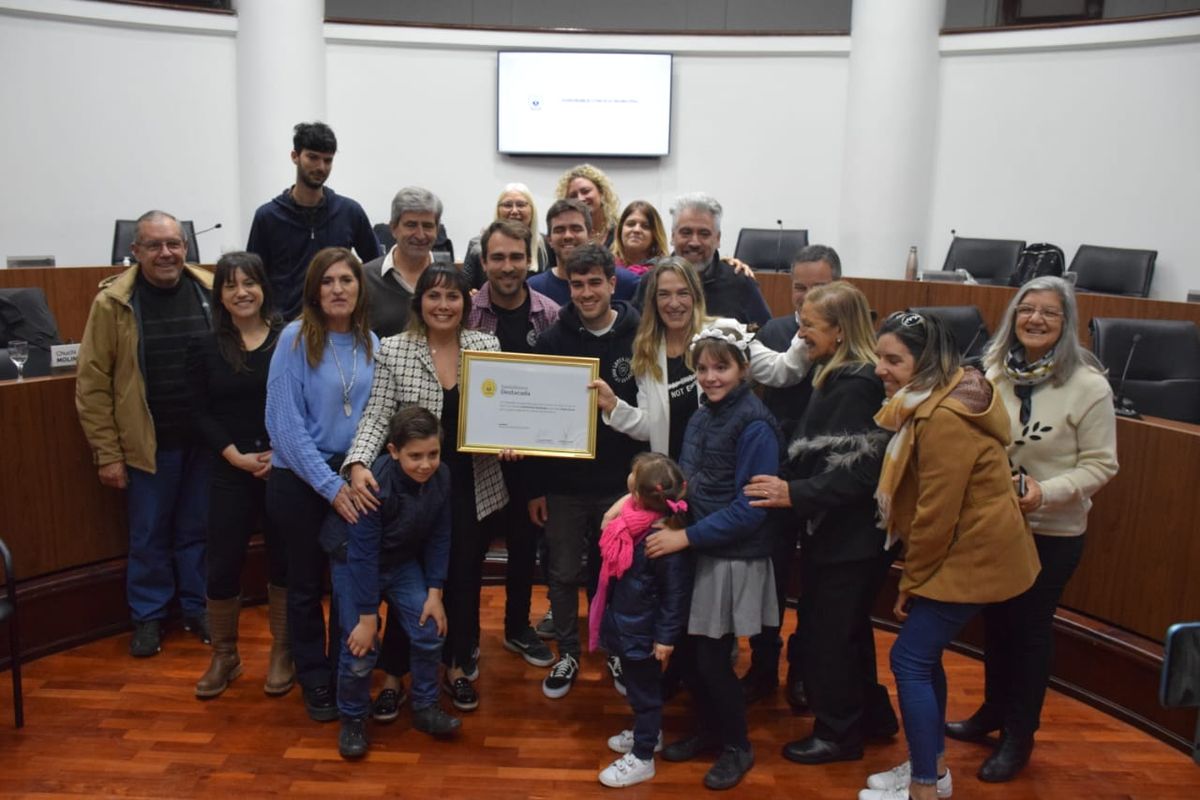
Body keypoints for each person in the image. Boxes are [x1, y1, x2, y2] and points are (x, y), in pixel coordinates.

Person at [858, 311, 1040, 800]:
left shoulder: (942, 418)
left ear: (926, 362)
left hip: (974, 553)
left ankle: (924, 786)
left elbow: (936, 514)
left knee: (909, 659)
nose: (881, 369)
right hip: (973, 547)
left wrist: (910, 581)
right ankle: (931, 765)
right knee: (922, 655)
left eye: (894, 359)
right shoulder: (947, 392)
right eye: (880, 356)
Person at [946, 276, 1118, 782]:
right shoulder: (991, 372)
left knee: (1028, 632)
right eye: (1027, 310)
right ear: (1012, 316)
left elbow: (1102, 465)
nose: (1036, 320)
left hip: (1051, 530)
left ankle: (1019, 737)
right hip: (994, 526)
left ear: (1066, 324)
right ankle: (992, 715)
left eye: (1049, 312)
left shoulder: (1088, 386)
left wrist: (1047, 491)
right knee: (996, 626)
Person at [744, 282, 899, 764]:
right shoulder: (838, 374)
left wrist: (794, 492)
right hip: (841, 535)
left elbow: (856, 474)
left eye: (809, 325)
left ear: (838, 329)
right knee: (848, 631)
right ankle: (872, 718)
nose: (801, 333)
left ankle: (838, 734)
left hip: (849, 539)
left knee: (830, 635)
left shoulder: (855, 384)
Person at [344, 266, 508, 714]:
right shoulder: (395, 350)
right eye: (433, 296)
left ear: (466, 304)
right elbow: (377, 415)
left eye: (453, 297)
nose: (443, 305)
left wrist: (513, 438)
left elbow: (505, 410)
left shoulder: (486, 345)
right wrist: (358, 462)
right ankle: (396, 674)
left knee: (461, 580)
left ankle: (456, 665)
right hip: (414, 485)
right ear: (419, 303)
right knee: (408, 578)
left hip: (473, 484)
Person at [645, 320, 782, 791]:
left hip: (732, 555)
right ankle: (709, 730)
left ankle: (737, 746)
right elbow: (689, 481)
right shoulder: (703, 416)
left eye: (721, 367)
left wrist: (686, 537)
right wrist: (669, 514)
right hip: (701, 545)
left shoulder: (757, 424)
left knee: (710, 658)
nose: (710, 377)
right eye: (702, 368)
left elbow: (751, 509)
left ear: (743, 369)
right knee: (693, 653)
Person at [76, 209, 214, 658]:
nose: (166, 253)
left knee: (197, 531)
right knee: (149, 535)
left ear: (186, 246)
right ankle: (149, 617)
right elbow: (92, 383)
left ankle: (197, 608)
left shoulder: (210, 290)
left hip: (204, 443)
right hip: (147, 445)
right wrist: (107, 453)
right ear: (134, 251)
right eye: (153, 245)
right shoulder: (113, 303)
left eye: (173, 243)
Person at [265, 247, 378, 723]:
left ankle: (343, 672)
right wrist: (330, 487)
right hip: (299, 479)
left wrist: (354, 470)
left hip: (352, 473)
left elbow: (376, 416)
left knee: (350, 584)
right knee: (306, 585)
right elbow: (283, 426)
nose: (337, 289)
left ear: (359, 287)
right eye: (328, 281)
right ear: (314, 290)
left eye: (346, 281)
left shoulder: (372, 341)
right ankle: (314, 677)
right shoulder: (294, 338)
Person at [528, 243, 646, 700]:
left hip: (620, 484)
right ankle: (569, 653)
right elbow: (537, 416)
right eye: (577, 284)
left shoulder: (638, 338)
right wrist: (536, 486)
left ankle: (613, 649)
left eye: (595, 282)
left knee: (613, 571)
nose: (585, 292)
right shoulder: (555, 338)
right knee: (561, 571)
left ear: (613, 284)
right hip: (563, 484)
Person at [323, 406, 462, 759]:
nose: (425, 464)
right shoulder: (374, 485)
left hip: (400, 562)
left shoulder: (442, 478)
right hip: (355, 560)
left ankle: (426, 706)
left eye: (433, 454)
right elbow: (362, 554)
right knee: (359, 648)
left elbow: (440, 534)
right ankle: (352, 719)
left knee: (430, 627)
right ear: (393, 451)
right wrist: (368, 619)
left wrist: (435, 591)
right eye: (415, 456)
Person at [187, 252, 289, 699]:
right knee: (223, 560)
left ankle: (283, 653)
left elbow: (301, 400)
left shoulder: (289, 339)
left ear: (264, 287)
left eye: (250, 282)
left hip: (283, 467)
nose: (242, 292)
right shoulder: (205, 344)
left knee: (284, 560)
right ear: (220, 295)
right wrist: (234, 455)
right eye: (231, 285)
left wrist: (279, 452)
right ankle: (225, 654)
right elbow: (198, 410)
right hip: (231, 468)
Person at [746, 243, 842, 710]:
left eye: (818, 287)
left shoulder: (852, 340)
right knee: (772, 578)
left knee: (819, 588)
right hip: (780, 476)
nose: (806, 298)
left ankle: (804, 672)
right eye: (799, 287)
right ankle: (764, 666)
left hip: (830, 485)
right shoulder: (776, 332)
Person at [594, 256, 808, 462]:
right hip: (674, 480)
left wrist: (806, 329)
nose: (674, 303)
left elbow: (782, 370)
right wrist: (614, 406)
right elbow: (652, 427)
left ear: (696, 296)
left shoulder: (724, 333)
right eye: (664, 294)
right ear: (653, 300)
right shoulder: (647, 349)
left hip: (722, 474)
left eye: (683, 293)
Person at [466, 220, 558, 669]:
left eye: (516, 257)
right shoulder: (464, 311)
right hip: (474, 458)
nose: (507, 266)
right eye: (498, 257)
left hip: (531, 459)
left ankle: (518, 628)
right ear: (484, 261)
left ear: (531, 260)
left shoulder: (551, 313)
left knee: (524, 547)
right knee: (469, 548)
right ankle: (462, 637)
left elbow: (559, 390)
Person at [589, 453, 691, 789]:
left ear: (639, 495)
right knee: (639, 691)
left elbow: (674, 597)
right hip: (629, 623)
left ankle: (643, 756)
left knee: (645, 695)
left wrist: (665, 638)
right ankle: (651, 734)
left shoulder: (660, 540)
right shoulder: (633, 520)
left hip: (644, 633)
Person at [246, 121, 381, 320]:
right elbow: (254, 276)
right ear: (295, 156)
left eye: (328, 160)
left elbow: (376, 266)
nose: (321, 167)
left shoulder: (349, 212)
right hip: (282, 328)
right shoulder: (268, 216)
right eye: (313, 157)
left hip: (337, 325)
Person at [667, 193, 771, 325]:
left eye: (704, 234)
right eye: (686, 232)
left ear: (717, 239)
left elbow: (766, 333)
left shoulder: (740, 282)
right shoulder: (652, 281)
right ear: (672, 236)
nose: (694, 242)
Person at [361, 187, 443, 337]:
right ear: (393, 228)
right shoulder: (364, 279)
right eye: (411, 225)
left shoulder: (450, 281)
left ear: (437, 230)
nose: (420, 235)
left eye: (427, 226)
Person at [528, 199, 640, 307]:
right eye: (559, 230)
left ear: (590, 235)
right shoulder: (534, 289)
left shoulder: (627, 283)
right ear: (549, 240)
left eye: (576, 229)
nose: (568, 236)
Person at [461, 183, 550, 290]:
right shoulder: (476, 246)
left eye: (521, 205)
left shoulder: (548, 245)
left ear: (532, 210)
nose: (514, 211)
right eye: (507, 205)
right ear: (498, 210)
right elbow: (464, 289)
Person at [555, 163, 620, 251]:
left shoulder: (620, 230)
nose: (580, 199)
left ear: (601, 192)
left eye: (585, 191)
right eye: (573, 196)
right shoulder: (565, 235)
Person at [611, 201, 669, 275]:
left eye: (645, 226)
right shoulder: (606, 267)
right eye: (631, 224)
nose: (637, 230)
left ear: (655, 235)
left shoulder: (664, 271)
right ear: (620, 230)